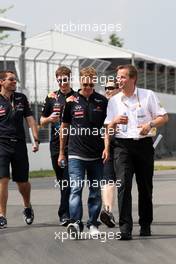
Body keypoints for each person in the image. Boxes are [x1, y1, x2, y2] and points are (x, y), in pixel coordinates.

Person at [104, 64, 168, 240]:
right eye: (118, 77)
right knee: (123, 185)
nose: (119, 80)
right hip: (122, 147)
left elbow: (164, 117)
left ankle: (145, 224)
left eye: (123, 77)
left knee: (145, 187)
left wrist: (150, 125)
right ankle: (125, 228)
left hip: (143, 146)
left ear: (133, 79)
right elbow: (108, 127)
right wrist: (114, 122)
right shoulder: (113, 101)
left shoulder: (148, 95)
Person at [58, 67, 108, 238]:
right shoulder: (71, 101)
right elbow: (64, 128)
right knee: (75, 189)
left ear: (95, 81)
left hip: (96, 154)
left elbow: (107, 128)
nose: (87, 87)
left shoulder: (102, 101)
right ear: (80, 81)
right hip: (75, 154)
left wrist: (107, 148)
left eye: (90, 83)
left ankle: (93, 223)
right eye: (84, 83)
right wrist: (61, 153)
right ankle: (75, 222)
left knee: (95, 191)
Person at [0, 70, 39, 229]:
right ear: (1, 82)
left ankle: (27, 206)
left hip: (19, 144)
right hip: (1, 144)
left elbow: (30, 120)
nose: (14, 82)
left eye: (15, 80)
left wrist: (35, 139)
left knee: (22, 182)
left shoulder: (21, 98)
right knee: (2, 179)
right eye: (11, 80)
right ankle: (2, 215)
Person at [40, 66, 75, 226]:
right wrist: (49, 119)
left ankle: (65, 214)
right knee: (62, 181)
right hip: (55, 145)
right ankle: (67, 212)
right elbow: (41, 121)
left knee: (68, 180)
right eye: (59, 80)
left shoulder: (77, 96)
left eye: (65, 79)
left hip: (74, 144)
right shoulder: (51, 97)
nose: (62, 83)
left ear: (70, 78)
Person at [100, 81, 120, 228]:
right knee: (108, 179)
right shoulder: (100, 104)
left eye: (111, 88)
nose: (108, 90)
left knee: (124, 181)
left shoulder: (123, 103)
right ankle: (108, 212)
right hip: (105, 147)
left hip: (124, 146)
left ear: (118, 89)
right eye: (106, 88)